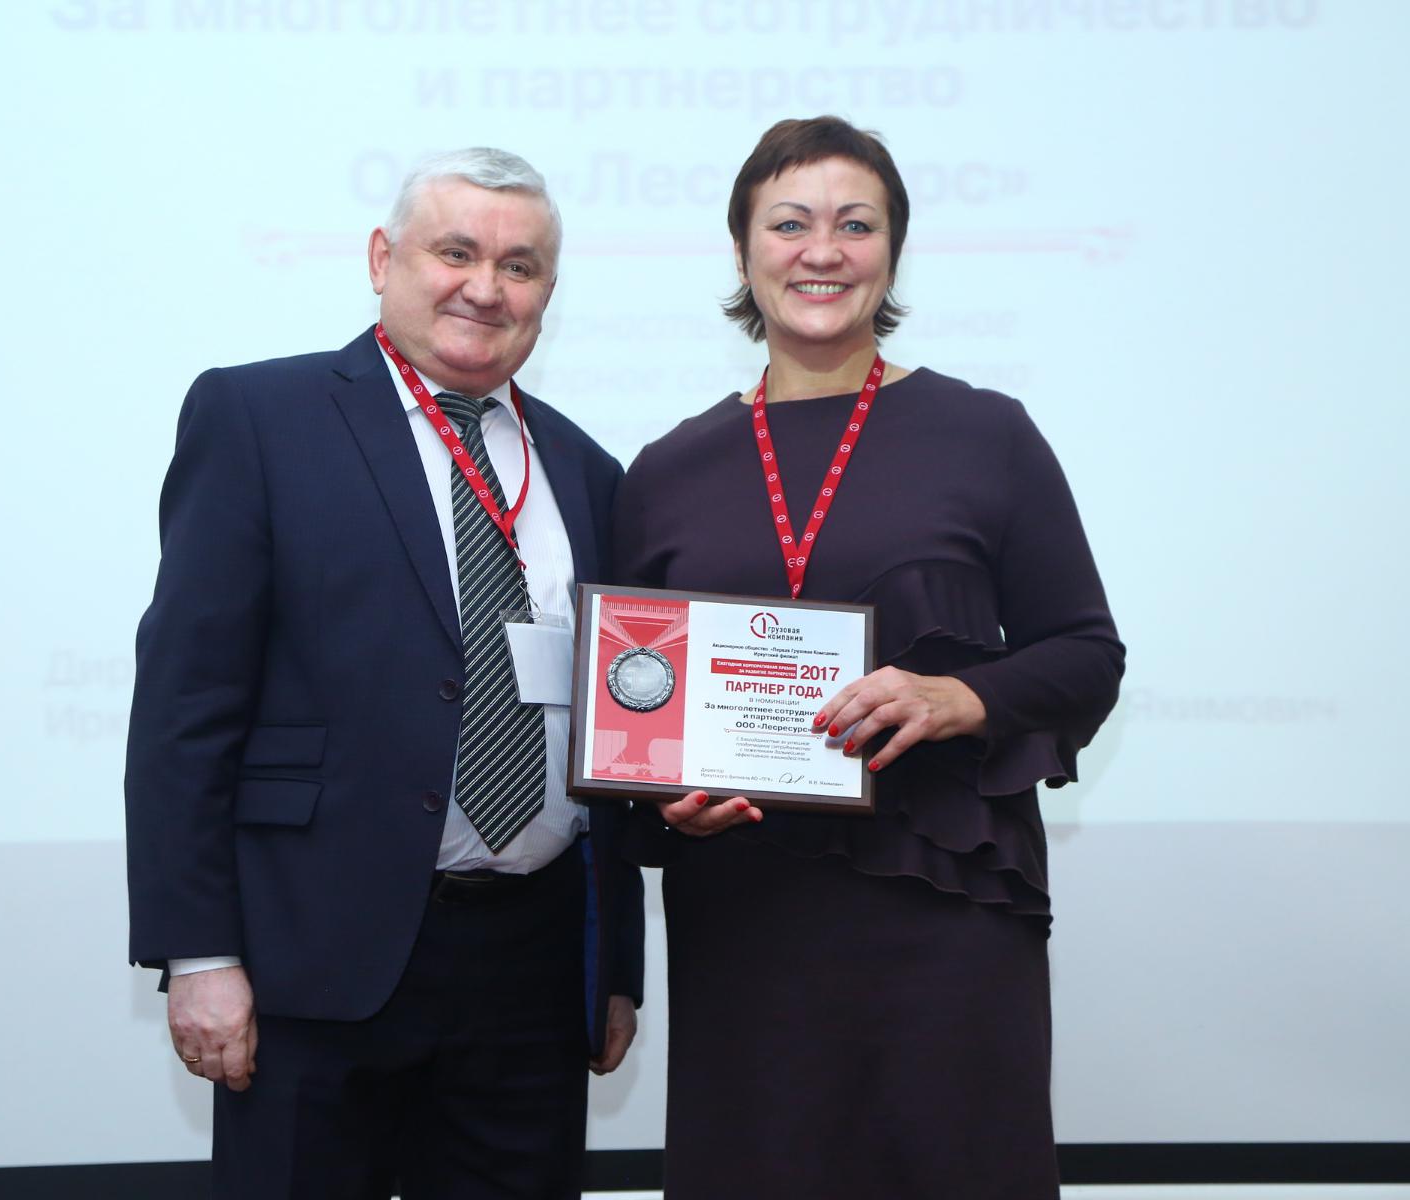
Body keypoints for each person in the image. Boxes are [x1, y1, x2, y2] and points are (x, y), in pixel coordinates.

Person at [615, 116, 1124, 1197]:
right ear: (742, 250)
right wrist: (664, 803)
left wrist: (958, 697)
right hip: (744, 921)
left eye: (856, 225)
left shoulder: (987, 435)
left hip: (941, 915)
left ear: (893, 251)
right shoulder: (665, 471)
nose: (823, 251)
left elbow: (1087, 654)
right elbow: (631, 711)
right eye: (789, 224)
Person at [124, 147, 643, 1199]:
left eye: (519, 266)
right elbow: (187, 705)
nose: (485, 288)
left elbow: (612, 732)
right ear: (381, 259)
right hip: (314, 962)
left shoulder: (586, 470)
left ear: (548, 292)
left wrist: (615, 969)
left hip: (531, 972)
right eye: (455, 252)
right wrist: (198, 953)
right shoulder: (259, 418)